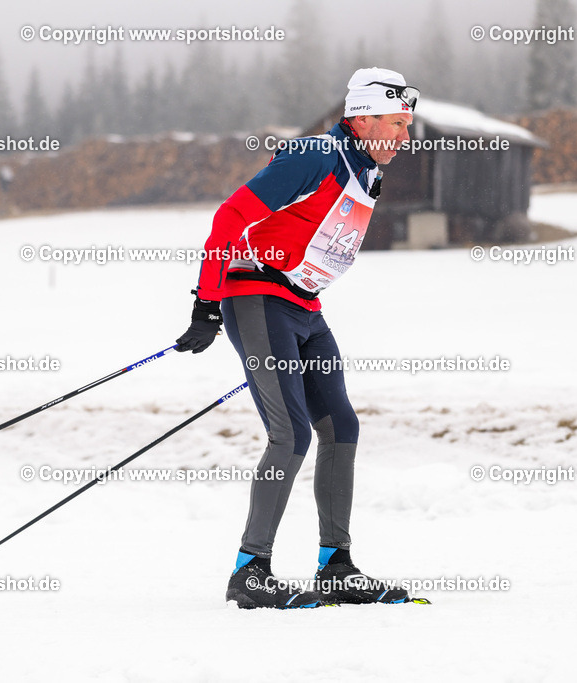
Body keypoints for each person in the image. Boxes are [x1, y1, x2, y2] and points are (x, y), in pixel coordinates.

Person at [176, 68, 419, 609]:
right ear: (362, 117)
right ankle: (250, 572)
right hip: (258, 300)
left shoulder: (363, 169)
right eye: (397, 124)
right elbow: (231, 217)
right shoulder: (317, 154)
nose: (405, 137)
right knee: (290, 435)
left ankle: (336, 565)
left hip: (304, 310)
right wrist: (207, 303)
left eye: (408, 125)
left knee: (341, 426)